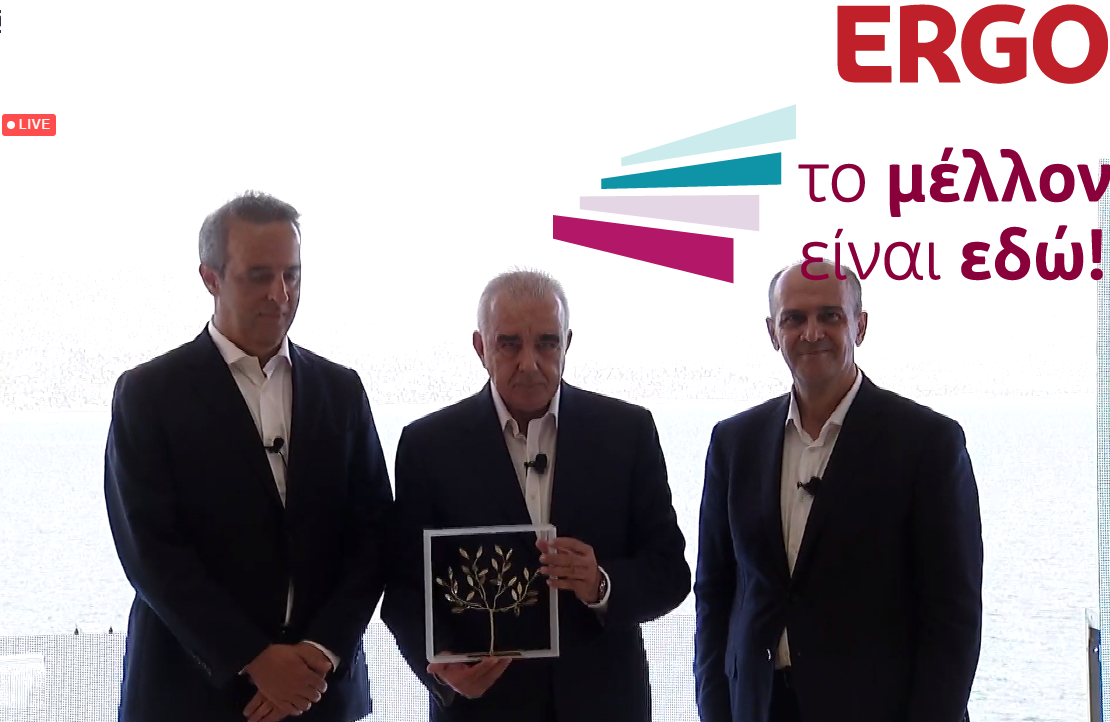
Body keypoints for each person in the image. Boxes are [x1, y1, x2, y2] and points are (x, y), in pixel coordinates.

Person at [103, 191, 394, 722]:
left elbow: (374, 534)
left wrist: (320, 653)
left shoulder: (342, 391)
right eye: (259, 276)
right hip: (189, 699)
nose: (280, 294)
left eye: (292, 275)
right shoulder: (148, 395)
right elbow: (151, 551)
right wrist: (254, 659)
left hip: (320, 695)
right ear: (210, 278)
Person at [381, 269, 691, 722]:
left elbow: (670, 573)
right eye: (509, 344)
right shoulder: (428, 446)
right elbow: (405, 589)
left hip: (604, 705)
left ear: (568, 343)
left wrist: (601, 584)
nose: (529, 363)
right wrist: (443, 666)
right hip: (481, 708)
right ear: (480, 347)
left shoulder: (627, 433)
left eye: (547, 343)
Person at [692, 259, 983, 722]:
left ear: (860, 326)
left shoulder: (927, 443)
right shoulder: (734, 443)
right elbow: (714, 593)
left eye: (830, 316)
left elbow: (953, 616)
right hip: (758, 706)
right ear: (773, 333)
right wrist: (714, 709)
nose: (812, 333)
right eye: (794, 319)